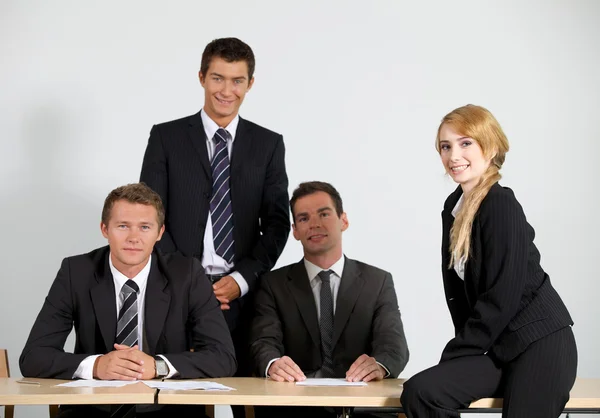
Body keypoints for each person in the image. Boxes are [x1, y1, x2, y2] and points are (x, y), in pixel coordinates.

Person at [400, 105, 577, 417]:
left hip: (539, 344)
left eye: (465, 143)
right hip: (499, 348)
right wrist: (460, 359)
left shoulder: (500, 205)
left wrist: (457, 354)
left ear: (490, 146)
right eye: (446, 146)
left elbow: (500, 299)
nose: (454, 156)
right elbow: (461, 295)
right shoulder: (454, 208)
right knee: (422, 392)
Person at [139, 38, 290, 400]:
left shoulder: (268, 144)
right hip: (176, 294)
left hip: (242, 298)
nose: (227, 90)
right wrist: (187, 280)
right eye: (218, 78)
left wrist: (242, 279)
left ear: (250, 83)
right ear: (202, 78)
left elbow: (276, 222)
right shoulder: (166, 137)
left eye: (237, 80)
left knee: (249, 399)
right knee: (179, 400)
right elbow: (149, 215)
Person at [20, 183, 236, 417]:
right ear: (105, 229)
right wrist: (97, 366)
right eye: (123, 226)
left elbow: (223, 356)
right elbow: (34, 356)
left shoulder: (187, 275)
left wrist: (156, 366)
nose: (134, 237)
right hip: (93, 409)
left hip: (168, 409)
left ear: (160, 233)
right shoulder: (76, 272)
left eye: (145, 227)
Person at [250, 181, 409, 418]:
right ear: (294, 230)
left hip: (363, 408)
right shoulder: (273, 284)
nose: (314, 224)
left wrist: (380, 365)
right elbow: (263, 342)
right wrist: (273, 363)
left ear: (343, 220)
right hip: (296, 407)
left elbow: (393, 345)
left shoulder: (378, 282)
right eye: (303, 218)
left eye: (324, 214)